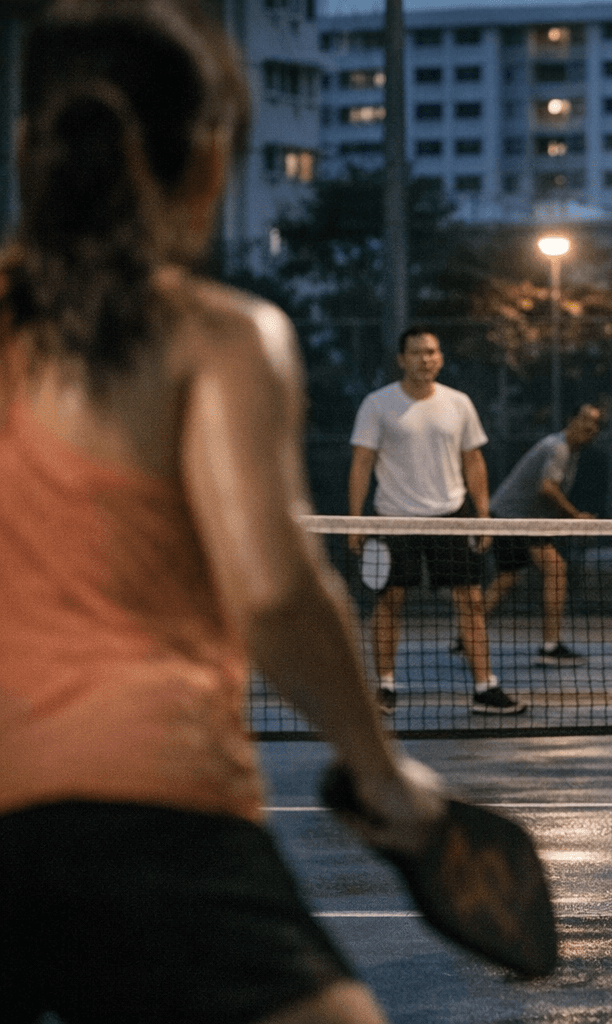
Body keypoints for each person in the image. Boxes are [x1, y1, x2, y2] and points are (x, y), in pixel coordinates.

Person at [0, 2, 446, 1020]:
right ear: (208, 158)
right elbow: (275, 592)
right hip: (144, 811)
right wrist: (382, 777)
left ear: (31, 146)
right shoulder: (217, 337)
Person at [347, 327, 525, 714]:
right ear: (401, 359)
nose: (425, 359)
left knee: (471, 602)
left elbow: (473, 461)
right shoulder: (377, 404)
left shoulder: (458, 403)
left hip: (452, 517)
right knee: (389, 602)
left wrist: (481, 517)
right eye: (416, 353)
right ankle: (386, 686)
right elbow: (362, 463)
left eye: (431, 352)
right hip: (394, 520)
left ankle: (484, 687)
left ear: (440, 358)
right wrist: (355, 520)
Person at [483, 403, 604, 666]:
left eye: (596, 424)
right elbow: (547, 489)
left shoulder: (569, 451)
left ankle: (465, 636)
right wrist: (575, 518)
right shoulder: (558, 447)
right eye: (586, 420)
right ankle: (550, 647)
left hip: (512, 518)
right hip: (515, 519)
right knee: (556, 570)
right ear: (571, 419)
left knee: (507, 577)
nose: (590, 427)